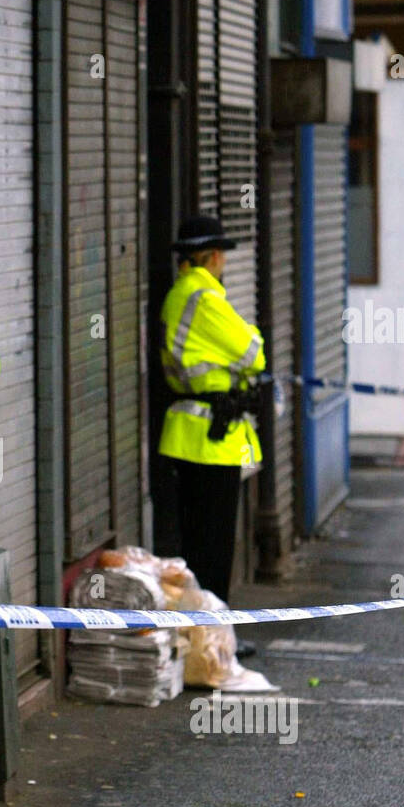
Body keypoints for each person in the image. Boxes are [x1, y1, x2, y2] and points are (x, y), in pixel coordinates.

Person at [158, 213, 266, 611]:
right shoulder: (204, 298)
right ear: (213, 256)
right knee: (214, 548)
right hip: (210, 442)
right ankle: (212, 641)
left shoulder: (182, 293)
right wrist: (249, 338)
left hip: (192, 436)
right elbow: (254, 353)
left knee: (199, 545)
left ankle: (205, 641)